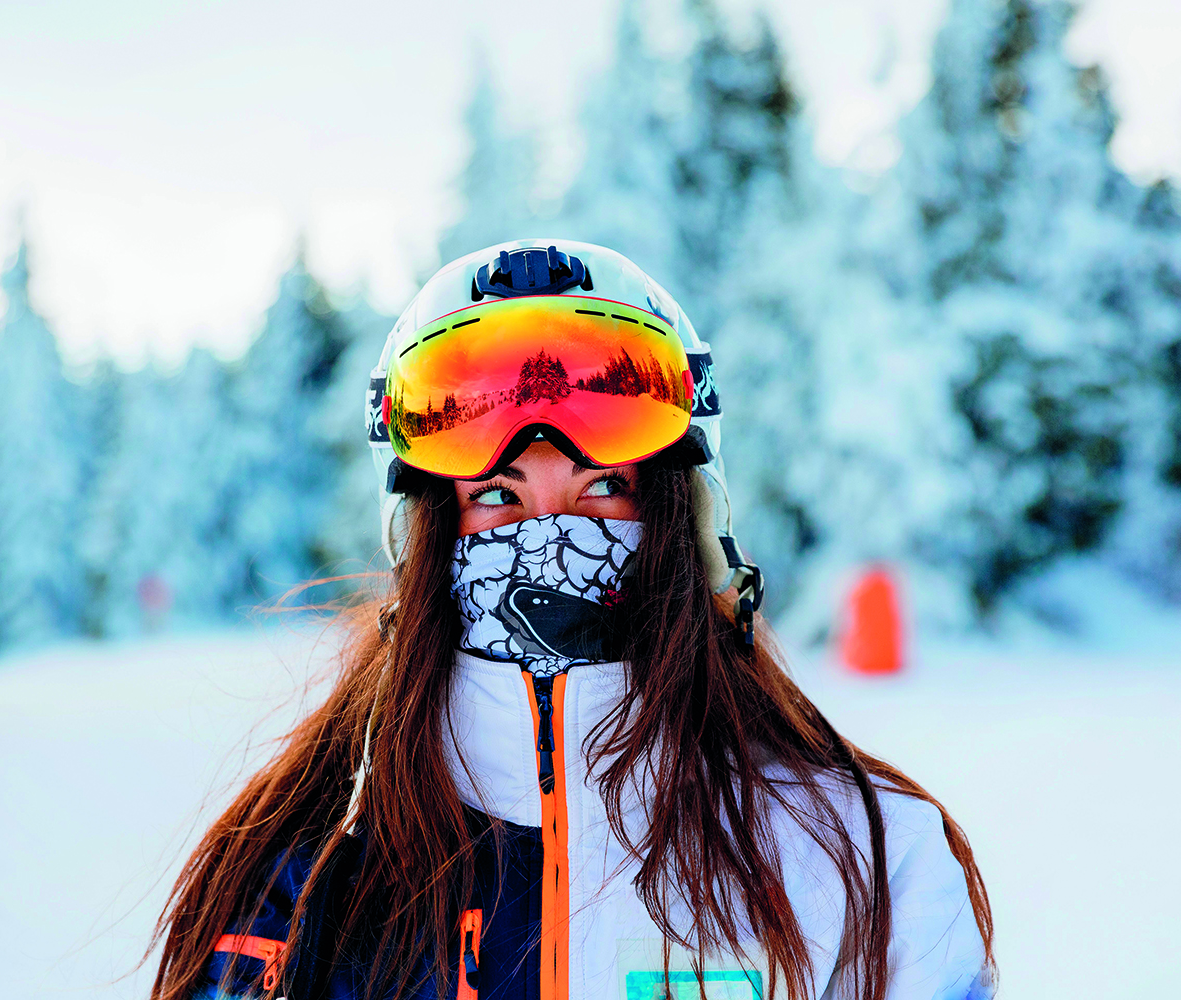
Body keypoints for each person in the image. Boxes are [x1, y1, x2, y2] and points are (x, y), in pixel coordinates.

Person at [148, 240, 995, 1000]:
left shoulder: (863, 860)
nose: (549, 541)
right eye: (495, 496)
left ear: (684, 521)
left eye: (603, 489)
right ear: (425, 530)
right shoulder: (296, 876)